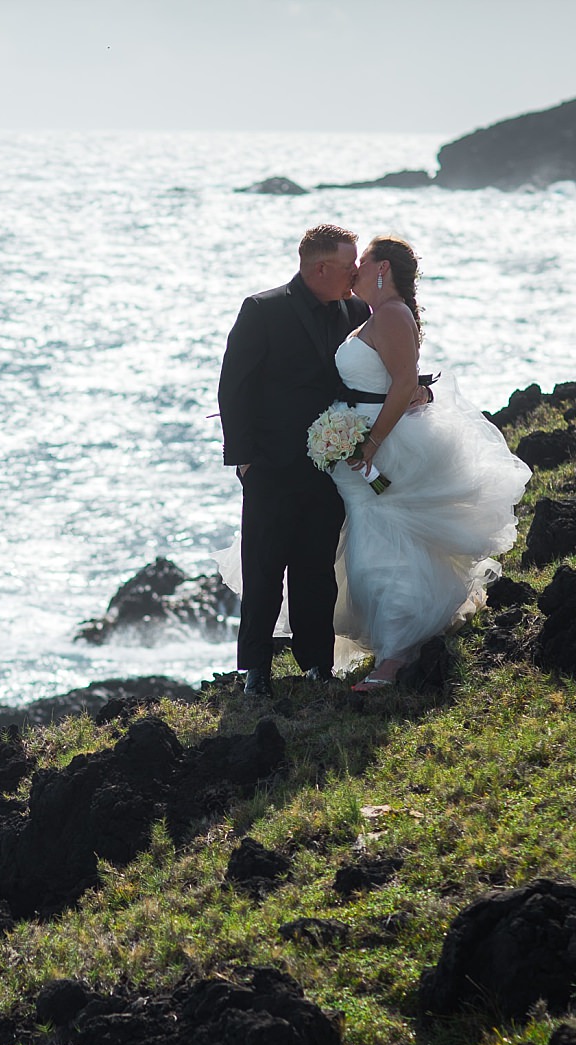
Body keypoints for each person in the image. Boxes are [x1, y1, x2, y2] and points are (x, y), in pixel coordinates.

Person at [328, 236, 531, 690]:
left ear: (382, 268)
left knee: (383, 551)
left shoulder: (394, 315)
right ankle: (394, 644)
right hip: (362, 444)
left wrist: (372, 443)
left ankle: (395, 657)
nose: (355, 270)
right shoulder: (378, 316)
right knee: (373, 545)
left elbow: (403, 385)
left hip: (384, 446)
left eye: (362, 262)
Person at [215, 224, 370, 698]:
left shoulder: (358, 310)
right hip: (270, 464)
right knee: (263, 566)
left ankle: (317, 664)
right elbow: (233, 386)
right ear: (320, 267)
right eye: (349, 265)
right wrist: (244, 461)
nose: (357, 272)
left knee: (317, 568)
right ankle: (255, 669)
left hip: (330, 466)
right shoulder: (262, 309)